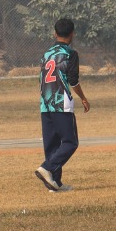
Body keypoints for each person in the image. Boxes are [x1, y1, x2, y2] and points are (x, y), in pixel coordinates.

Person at [35, 17, 89, 193]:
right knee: (70, 142)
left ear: (55, 33)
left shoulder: (46, 54)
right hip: (61, 103)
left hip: (45, 104)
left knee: (52, 145)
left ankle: (55, 184)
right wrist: (83, 98)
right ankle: (47, 168)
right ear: (72, 34)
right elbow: (73, 81)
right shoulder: (70, 54)